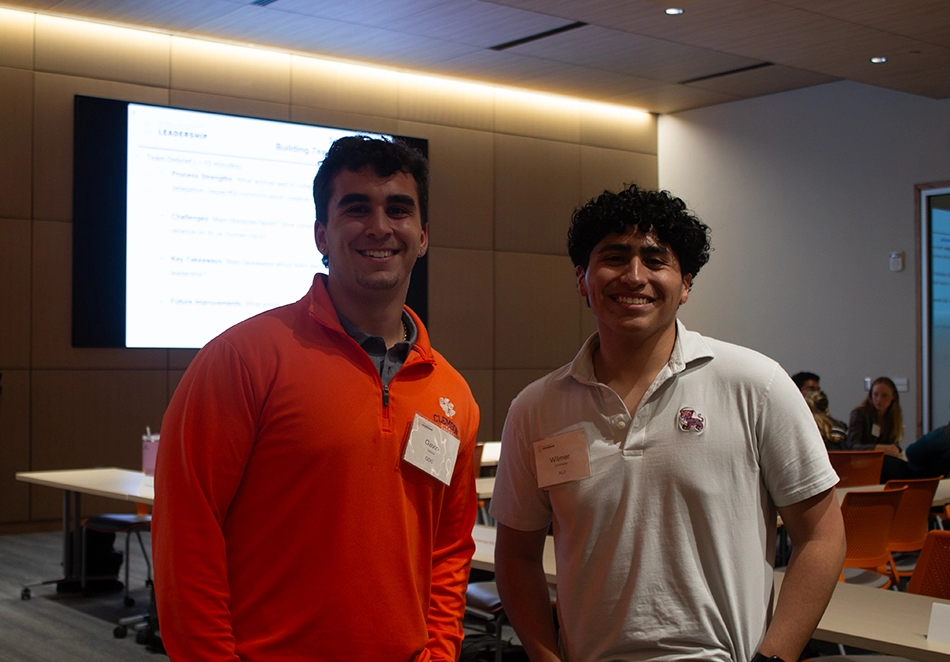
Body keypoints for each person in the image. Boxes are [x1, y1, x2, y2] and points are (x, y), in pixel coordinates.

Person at [153, 136, 480, 661]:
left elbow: (448, 550)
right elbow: (187, 535)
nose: (379, 227)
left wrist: (439, 655)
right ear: (321, 235)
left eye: (398, 209)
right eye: (356, 209)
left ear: (422, 237)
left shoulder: (452, 394)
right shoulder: (241, 359)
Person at [490, 185, 845, 662]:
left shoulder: (754, 384)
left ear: (686, 283)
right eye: (614, 258)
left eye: (655, 260)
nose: (634, 276)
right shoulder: (536, 409)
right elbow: (516, 556)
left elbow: (822, 535)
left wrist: (775, 658)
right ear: (582, 278)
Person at [846, 377, 911, 482]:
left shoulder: (893, 416)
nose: (879, 399)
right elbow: (852, 446)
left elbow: (893, 444)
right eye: (876, 394)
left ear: (893, 397)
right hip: (862, 462)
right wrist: (878, 448)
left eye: (884, 396)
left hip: (884, 463)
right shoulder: (860, 414)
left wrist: (895, 450)